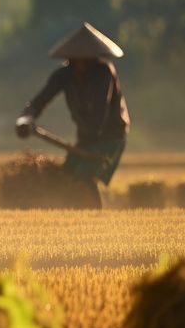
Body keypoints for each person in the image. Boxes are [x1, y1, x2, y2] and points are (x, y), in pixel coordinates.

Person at [15, 22, 130, 208]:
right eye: (77, 59)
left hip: (110, 135)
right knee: (67, 175)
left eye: (86, 59)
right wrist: (27, 117)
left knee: (84, 175)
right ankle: (71, 214)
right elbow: (41, 99)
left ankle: (95, 217)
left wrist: (90, 144)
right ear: (70, 58)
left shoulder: (103, 72)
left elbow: (101, 108)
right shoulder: (63, 75)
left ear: (94, 58)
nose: (82, 63)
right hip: (87, 135)